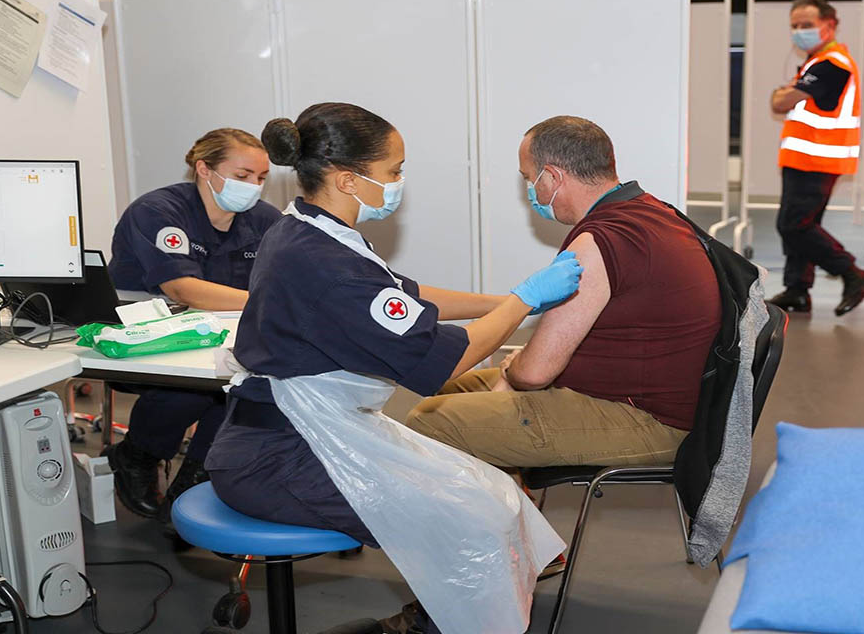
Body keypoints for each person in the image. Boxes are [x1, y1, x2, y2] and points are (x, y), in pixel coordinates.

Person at [204, 103, 581, 634]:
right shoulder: (324, 262)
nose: (400, 182)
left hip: (306, 436)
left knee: (491, 493)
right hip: (276, 460)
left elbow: (405, 297)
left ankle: (432, 622)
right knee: (469, 518)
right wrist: (523, 301)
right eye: (394, 171)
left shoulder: (310, 230)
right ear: (346, 179)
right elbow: (444, 357)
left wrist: (503, 300)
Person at [405, 116, 721, 474]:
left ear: (553, 178)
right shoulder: (650, 212)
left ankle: (491, 522)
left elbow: (535, 374)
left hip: (649, 421)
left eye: (529, 179)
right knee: (450, 389)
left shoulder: (598, 241)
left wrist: (513, 370)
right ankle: (508, 502)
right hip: (651, 399)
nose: (530, 191)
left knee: (430, 421)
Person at [104, 128, 281, 527]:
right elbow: (182, 288)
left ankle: (196, 480)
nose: (253, 186)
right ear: (204, 169)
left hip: (221, 340)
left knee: (245, 385)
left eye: (261, 178)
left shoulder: (264, 221)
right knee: (197, 388)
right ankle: (138, 455)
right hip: (143, 343)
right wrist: (270, 304)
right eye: (242, 176)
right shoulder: (158, 211)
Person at [767, 0, 864, 316]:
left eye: (807, 25)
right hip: (807, 158)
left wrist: (784, 93)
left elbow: (780, 102)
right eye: (794, 26)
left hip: (816, 160)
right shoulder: (818, 61)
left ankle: (852, 274)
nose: (799, 31)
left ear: (830, 26)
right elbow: (784, 98)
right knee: (803, 222)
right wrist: (786, 93)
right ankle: (797, 289)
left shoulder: (831, 63)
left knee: (793, 225)